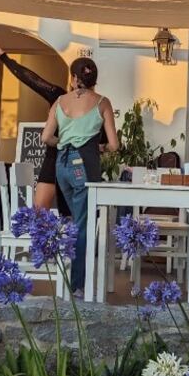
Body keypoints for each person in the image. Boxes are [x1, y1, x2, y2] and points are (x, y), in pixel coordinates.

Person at [42, 57, 118, 296]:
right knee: (82, 225)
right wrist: (100, 148)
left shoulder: (58, 101)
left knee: (73, 220)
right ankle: (77, 284)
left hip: (62, 166)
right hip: (83, 166)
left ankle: (67, 270)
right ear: (94, 79)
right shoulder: (102, 102)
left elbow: (46, 138)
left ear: (74, 78)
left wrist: (63, 141)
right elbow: (114, 145)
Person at [0, 44, 69, 215]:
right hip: (57, 159)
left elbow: (32, 80)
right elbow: (32, 80)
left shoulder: (89, 103)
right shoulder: (60, 96)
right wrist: (6, 59)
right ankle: (42, 240)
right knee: (40, 212)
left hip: (69, 160)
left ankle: (63, 240)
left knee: (67, 215)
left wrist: (5, 59)